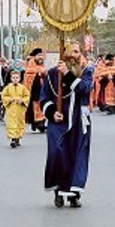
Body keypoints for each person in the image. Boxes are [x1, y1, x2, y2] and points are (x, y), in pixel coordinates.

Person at [37, 45, 94, 207]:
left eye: (77, 51)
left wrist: (67, 74)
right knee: (57, 153)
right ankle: (58, 191)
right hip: (58, 121)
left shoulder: (86, 71)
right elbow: (44, 97)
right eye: (71, 51)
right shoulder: (52, 74)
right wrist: (52, 112)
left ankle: (73, 194)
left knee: (76, 155)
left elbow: (85, 89)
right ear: (65, 53)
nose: (74, 55)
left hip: (78, 121)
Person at [1, 67, 29, 146]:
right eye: (13, 78)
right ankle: (13, 138)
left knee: (20, 123)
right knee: (11, 123)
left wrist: (23, 100)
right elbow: (4, 96)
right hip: (11, 108)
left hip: (20, 109)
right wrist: (9, 99)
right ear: (11, 78)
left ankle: (18, 138)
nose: (15, 79)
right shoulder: (8, 88)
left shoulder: (23, 88)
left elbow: (27, 96)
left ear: (20, 78)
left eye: (17, 77)